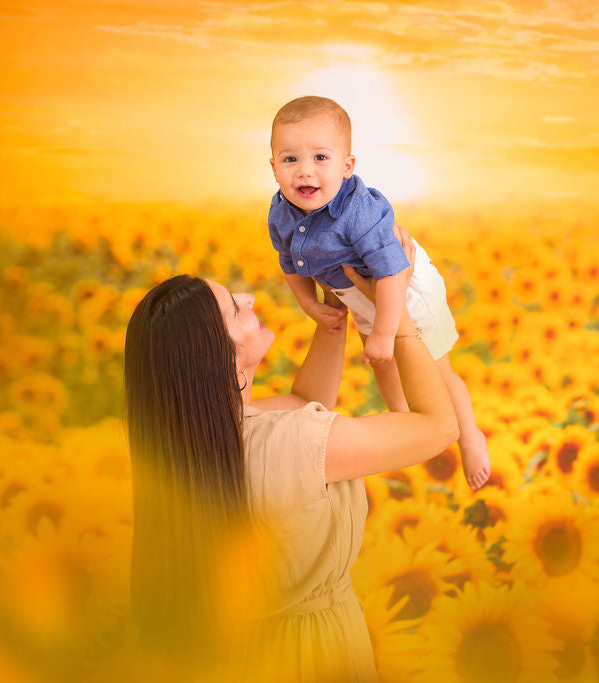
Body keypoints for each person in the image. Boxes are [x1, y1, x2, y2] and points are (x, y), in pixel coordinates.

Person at [124, 231, 457, 681]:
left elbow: (304, 401)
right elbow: (439, 427)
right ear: (223, 355)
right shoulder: (293, 442)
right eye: (235, 309)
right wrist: (393, 310)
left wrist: (332, 308)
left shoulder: (193, 440)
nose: (250, 298)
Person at [267, 95, 490, 491]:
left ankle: (469, 435)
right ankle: (405, 419)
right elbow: (288, 261)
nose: (305, 171)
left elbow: (391, 271)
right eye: (290, 160)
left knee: (434, 367)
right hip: (360, 294)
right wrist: (307, 303)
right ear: (273, 167)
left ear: (347, 165)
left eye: (321, 158)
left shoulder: (360, 213)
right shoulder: (281, 212)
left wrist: (386, 331)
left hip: (404, 288)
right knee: (382, 364)